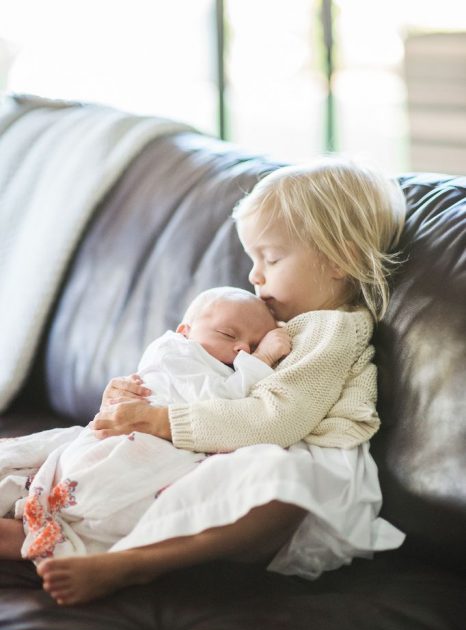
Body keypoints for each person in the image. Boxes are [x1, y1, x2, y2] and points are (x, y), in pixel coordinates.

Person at [3, 155, 408, 605]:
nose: (254, 275)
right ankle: (35, 527)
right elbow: (201, 377)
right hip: (221, 443)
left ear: (340, 260)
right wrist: (131, 397)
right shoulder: (264, 320)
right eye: (253, 259)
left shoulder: (334, 330)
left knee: (281, 482)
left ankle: (134, 564)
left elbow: (277, 418)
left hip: (293, 465)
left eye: (271, 258)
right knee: (86, 449)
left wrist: (161, 421)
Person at [0, 287, 286, 562]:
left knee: (140, 507)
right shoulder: (177, 353)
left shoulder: (229, 367)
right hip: (125, 444)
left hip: (163, 450)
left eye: (253, 345)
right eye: (228, 334)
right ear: (185, 332)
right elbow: (215, 401)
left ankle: (41, 530)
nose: (242, 349)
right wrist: (262, 358)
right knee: (100, 482)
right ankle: (42, 524)